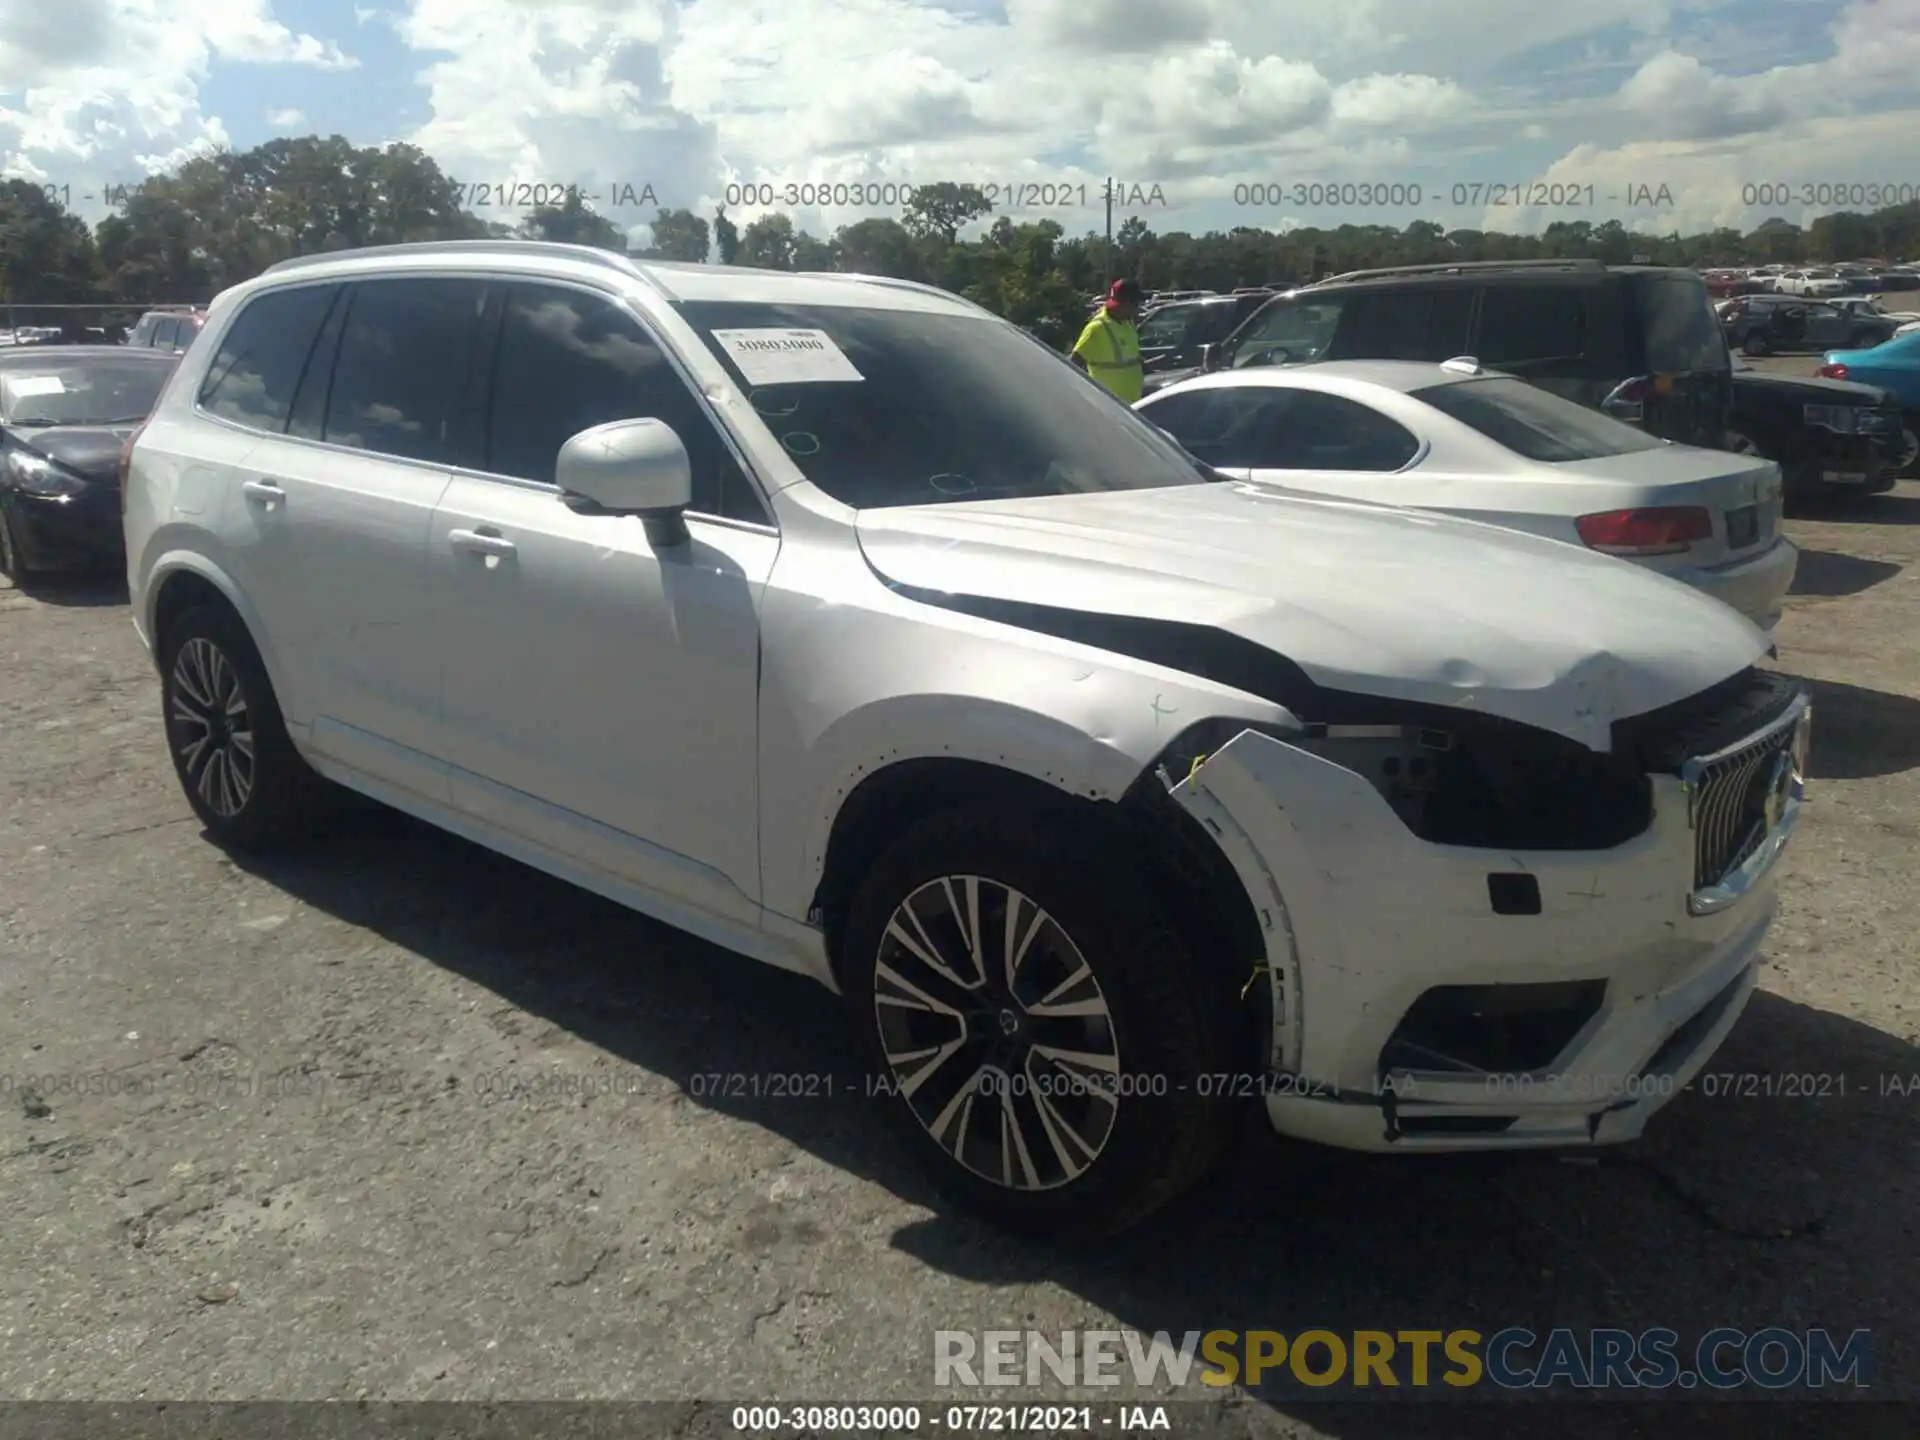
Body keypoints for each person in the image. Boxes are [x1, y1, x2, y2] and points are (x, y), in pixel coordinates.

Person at [1070, 278, 1145, 403]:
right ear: (1124, 303)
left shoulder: (1128, 323)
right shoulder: (1097, 328)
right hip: (1110, 405)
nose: (1138, 308)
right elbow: (1072, 364)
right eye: (1135, 304)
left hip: (1133, 403)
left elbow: (1129, 360)